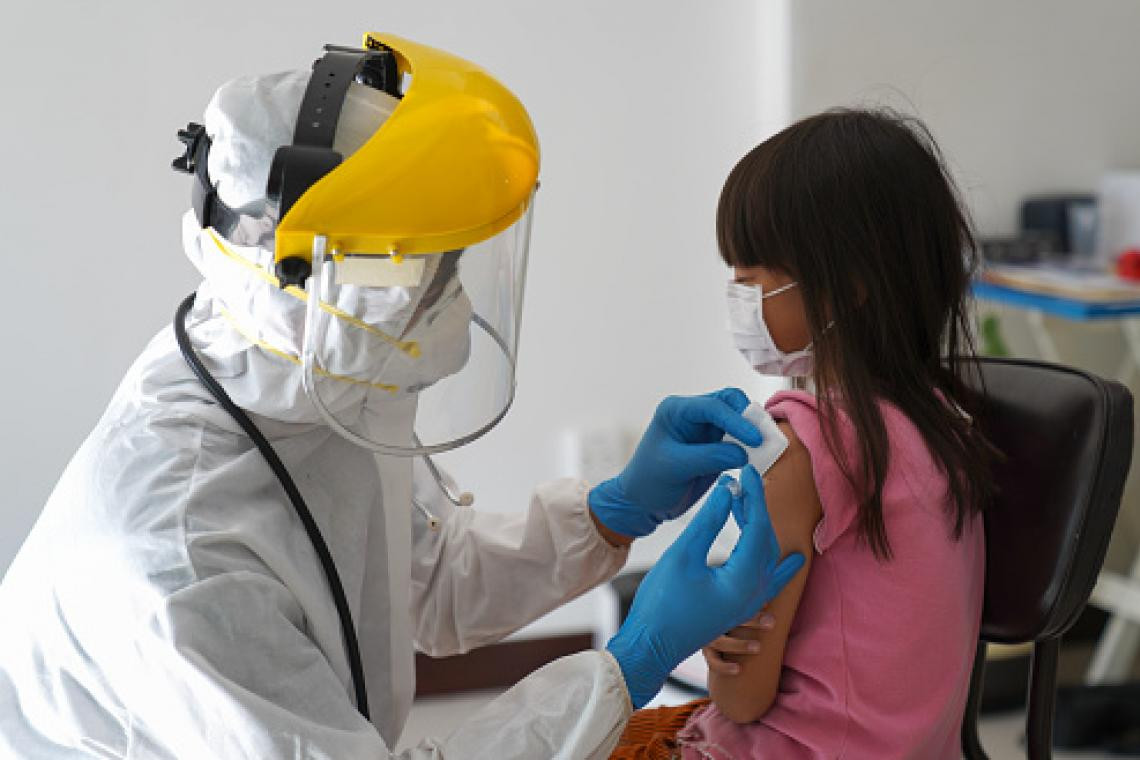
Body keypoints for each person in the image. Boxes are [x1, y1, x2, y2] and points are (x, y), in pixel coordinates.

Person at [0, 34, 805, 759]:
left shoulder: (319, 371)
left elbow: (428, 584)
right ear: (322, 275)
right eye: (429, 269)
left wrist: (613, 510)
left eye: (452, 261)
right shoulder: (180, 566)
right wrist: (632, 662)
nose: (452, 299)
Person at [610, 108, 997, 759]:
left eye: (751, 274)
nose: (737, 291)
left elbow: (743, 699)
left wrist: (716, 642)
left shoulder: (802, 449)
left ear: (848, 289)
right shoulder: (947, 425)